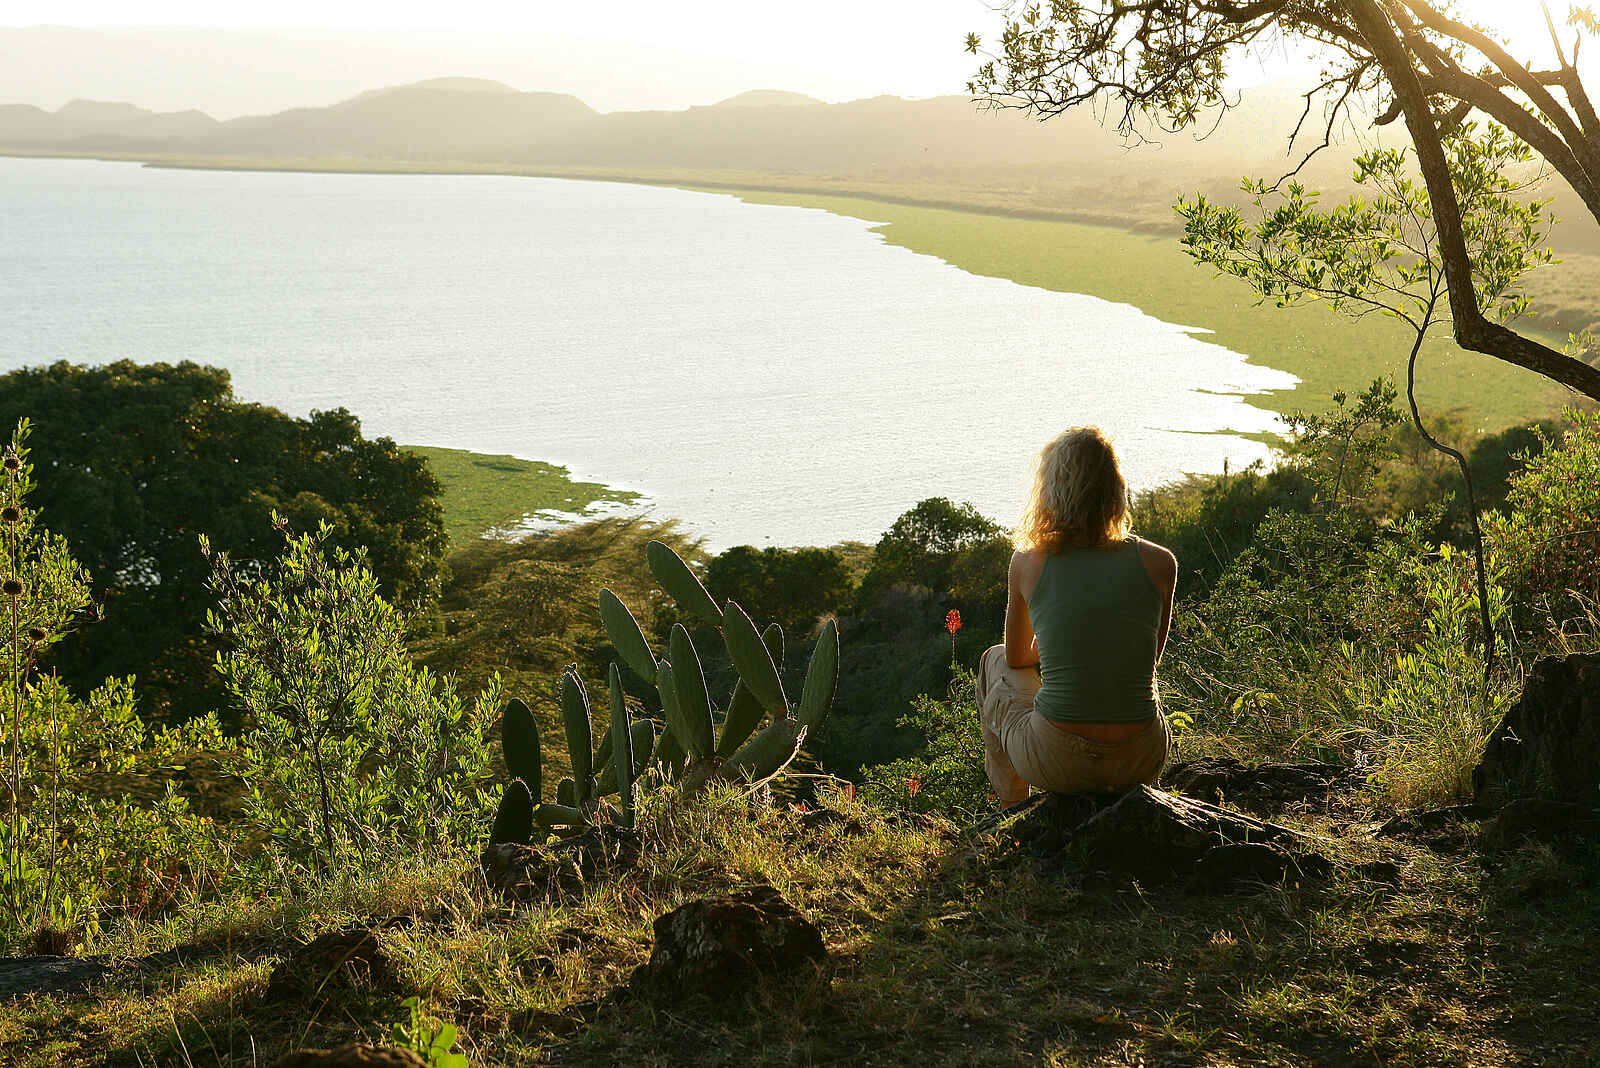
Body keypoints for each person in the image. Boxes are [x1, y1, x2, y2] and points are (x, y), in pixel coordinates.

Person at [976, 426, 1176, 807]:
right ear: (1116, 489)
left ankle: (1012, 807)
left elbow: (1018, 659)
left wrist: (1055, 651)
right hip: (1141, 759)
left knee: (996, 658)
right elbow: (1146, 660)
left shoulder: (1028, 562)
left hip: (1058, 761)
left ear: (1050, 491)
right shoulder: (1160, 563)